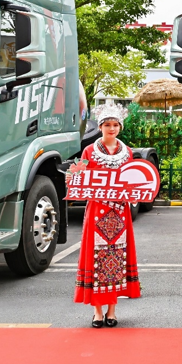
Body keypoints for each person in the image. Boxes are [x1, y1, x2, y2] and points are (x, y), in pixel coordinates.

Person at [71, 104, 140, 328]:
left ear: (120, 127)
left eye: (115, 125)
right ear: (100, 127)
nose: (111, 128)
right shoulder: (89, 152)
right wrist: (74, 177)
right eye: (107, 124)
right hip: (98, 211)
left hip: (119, 212)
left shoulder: (127, 152)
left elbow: (132, 180)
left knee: (116, 259)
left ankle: (112, 310)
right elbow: (80, 179)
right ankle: (97, 312)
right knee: (96, 258)